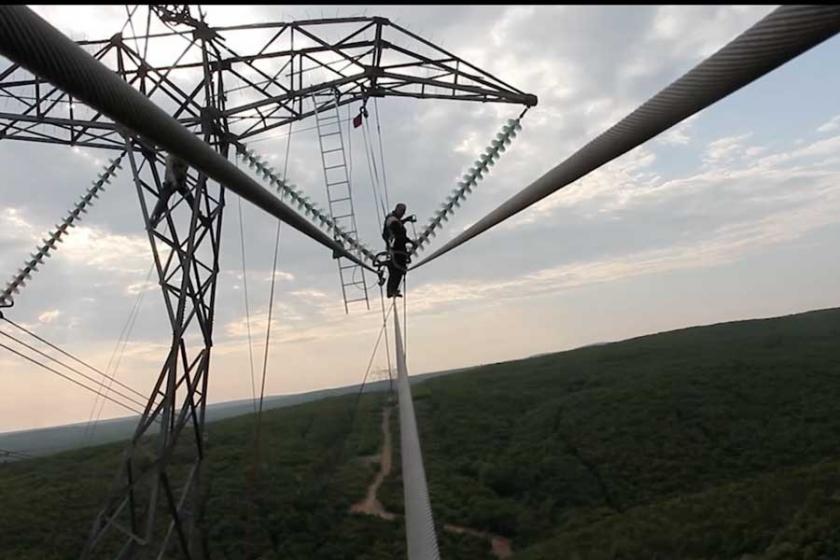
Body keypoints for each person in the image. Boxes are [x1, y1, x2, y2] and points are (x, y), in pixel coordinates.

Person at [149, 153, 198, 227]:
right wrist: (174, 182)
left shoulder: (186, 159)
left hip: (181, 182)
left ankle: (198, 214)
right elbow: (169, 171)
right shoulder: (171, 158)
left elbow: (186, 170)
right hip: (169, 183)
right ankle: (155, 218)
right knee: (163, 200)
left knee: (191, 199)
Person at [382, 203, 416, 298]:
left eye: (404, 212)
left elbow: (398, 224)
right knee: (397, 269)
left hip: (397, 248)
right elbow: (399, 234)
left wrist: (406, 220)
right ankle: (391, 291)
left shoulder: (393, 219)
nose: (402, 213)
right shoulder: (392, 220)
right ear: (397, 209)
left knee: (398, 269)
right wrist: (411, 242)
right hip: (396, 248)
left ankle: (393, 290)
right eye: (401, 211)